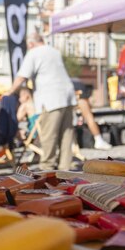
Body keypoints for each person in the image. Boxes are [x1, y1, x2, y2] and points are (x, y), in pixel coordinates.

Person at [7, 32, 81, 170]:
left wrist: (9, 92)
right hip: (68, 95)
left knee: (49, 134)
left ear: (30, 43)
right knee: (66, 134)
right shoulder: (54, 51)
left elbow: (22, 76)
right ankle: (65, 168)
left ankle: (47, 167)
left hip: (51, 97)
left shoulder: (34, 53)